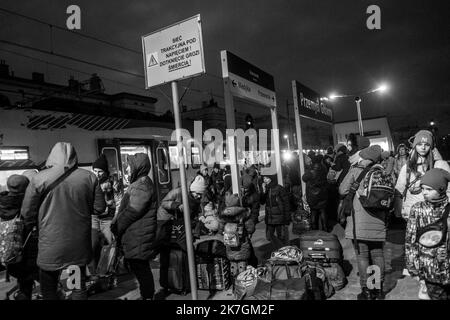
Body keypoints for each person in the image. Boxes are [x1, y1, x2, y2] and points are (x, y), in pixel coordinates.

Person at [21, 142, 106, 300]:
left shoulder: (38, 179)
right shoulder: (89, 177)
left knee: (49, 289)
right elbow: (100, 208)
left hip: (50, 245)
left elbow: (27, 213)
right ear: (74, 157)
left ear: (52, 156)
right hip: (78, 245)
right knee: (76, 286)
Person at [395, 130, 450, 297]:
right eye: (419, 144)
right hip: (414, 213)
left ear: (431, 145)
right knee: (417, 247)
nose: (423, 147)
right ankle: (424, 280)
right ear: (415, 145)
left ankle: (435, 280)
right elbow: (399, 188)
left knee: (435, 247)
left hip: (437, 214)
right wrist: (400, 209)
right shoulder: (408, 166)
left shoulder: (440, 165)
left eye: (426, 144)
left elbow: (448, 189)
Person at [339, 145, 388, 300]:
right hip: (378, 220)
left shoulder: (356, 171)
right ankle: (378, 290)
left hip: (359, 221)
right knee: (378, 254)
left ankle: (367, 291)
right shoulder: (382, 172)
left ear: (364, 157)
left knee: (362, 256)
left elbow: (342, 190)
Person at [110, 153, 157, 300]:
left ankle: (147, 297)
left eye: (130, 166)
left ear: (138, 167)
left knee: (141, 269)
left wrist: (117, 226)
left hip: (139, 235)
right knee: (140, 268)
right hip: (138, 234)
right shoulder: (141, 183)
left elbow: (131, 212)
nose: (128, 169)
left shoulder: (141, 185)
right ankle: (147, 296)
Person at [153, 175, 205, 300]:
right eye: (197, 193)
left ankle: (183, 282)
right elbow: (163, 203)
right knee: (166, 254)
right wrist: (176, 205)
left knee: (181, 253)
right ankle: (166, 284)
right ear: (192, 190)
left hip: (178, 226)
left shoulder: (195, 198)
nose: (199, 196)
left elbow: (195, 214)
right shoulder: (178, 192)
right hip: (166, 222)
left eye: (200, 194)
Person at [405, 169, 450, 300]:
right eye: (423, 188)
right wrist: (412, 265)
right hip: (429, 269)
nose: (424, 192)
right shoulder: (417, 209)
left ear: (441, 189)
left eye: (429, 189)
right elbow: (410, 239)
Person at [0, 174, 37, 300]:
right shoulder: (29, 202)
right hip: (29, 251)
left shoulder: (2, 202)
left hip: (9, 254)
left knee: (24, 280)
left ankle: (23, 293)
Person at [90, 154, 116, 278]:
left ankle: (107, 270)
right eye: (95, 171)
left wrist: (112, 208)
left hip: (107, 218)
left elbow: (118, 201)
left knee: (109, 243)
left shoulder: (113, 183)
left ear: (105, 171)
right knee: (93, 244)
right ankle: (95, 271)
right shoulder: (91, 181)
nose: (97, 174)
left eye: (100, 171)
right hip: (94, 217)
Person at [260, 173, 291, 245]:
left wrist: (287, 218)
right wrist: (263, 191)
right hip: (270, 218)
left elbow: (286, 204)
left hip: (279, 218)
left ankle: (282, 251)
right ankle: (277, 250)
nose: (265, 180)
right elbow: (262, 202)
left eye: (267, 178)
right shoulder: (266, 189)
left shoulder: (279, 188)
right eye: (264, 178)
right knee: (269, 237)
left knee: (281, 237)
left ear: (272, 178)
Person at [302, 155, 329, 231]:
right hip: (323, 194)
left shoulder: (311, 171)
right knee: (323, 211)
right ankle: (325, 228)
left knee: (313, 212)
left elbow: (303, 178)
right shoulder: (324, 169)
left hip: (312, 195)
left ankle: (314, 229)